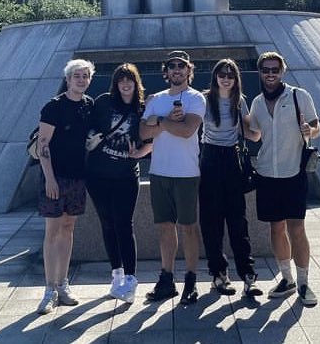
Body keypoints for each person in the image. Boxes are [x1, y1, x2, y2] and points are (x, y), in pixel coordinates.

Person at [247, 51, 320, 306]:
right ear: (260, 72)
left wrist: (309, 130)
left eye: (274, 70)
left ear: (282, 72)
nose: (270, 74)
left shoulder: (299, 96)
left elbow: (316, 126)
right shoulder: (256, 102)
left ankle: (303, 283)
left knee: (297, 228)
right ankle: (286, 279)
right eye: (266, 70)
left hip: (293, 172)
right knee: (275, 228)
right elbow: (255, 135)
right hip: (267, 172)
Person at [140, 50, 206, 305]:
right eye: (172, 66)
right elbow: (143, 132)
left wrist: (161, 122)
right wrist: (165, 123)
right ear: (165, 71)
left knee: (189, 228)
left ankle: (191, 280)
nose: (176, 70)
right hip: (159, 172)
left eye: (182, 66)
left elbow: (188, 131)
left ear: (189, 70)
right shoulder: (155, 99)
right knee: (164, 228)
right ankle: (166, 278)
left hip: (186, 173)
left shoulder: (195, 98)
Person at [86, 63, 153, 304]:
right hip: (97, 174)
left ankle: (132, 279)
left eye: (130, 80)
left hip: (126, 175)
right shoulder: (104, 102)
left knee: (124, 224)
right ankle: (116, 275)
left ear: (136, 83)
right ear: (115, 83)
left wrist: (141, 152)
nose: (125, 84)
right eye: (121, 80)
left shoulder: (143, 109)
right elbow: (90, 125)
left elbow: (153, 139)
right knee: (107, 223)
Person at [35, 58, 95, 315]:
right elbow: (43, 145)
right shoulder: (54, 107)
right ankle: (49, 289)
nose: (81, 80)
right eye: (76, 76)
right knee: (52, 231)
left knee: (68, 229)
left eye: (85, 76)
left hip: (77, 177)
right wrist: (49, 178)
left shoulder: (89, 106)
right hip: (55, 177)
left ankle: (63, 284)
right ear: (68, 79)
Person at [199, 58, 263, 298]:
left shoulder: (240, 101)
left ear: (236, 79)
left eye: (230, 74)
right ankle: (219, 274)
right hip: (210, 158)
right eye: (222, 74)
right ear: (215, 76)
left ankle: (248, 275)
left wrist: (269, 125)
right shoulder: (204, 99)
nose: (226, 78)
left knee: (238, 221)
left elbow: (252, 133)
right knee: (211, 221)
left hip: (232, 159)